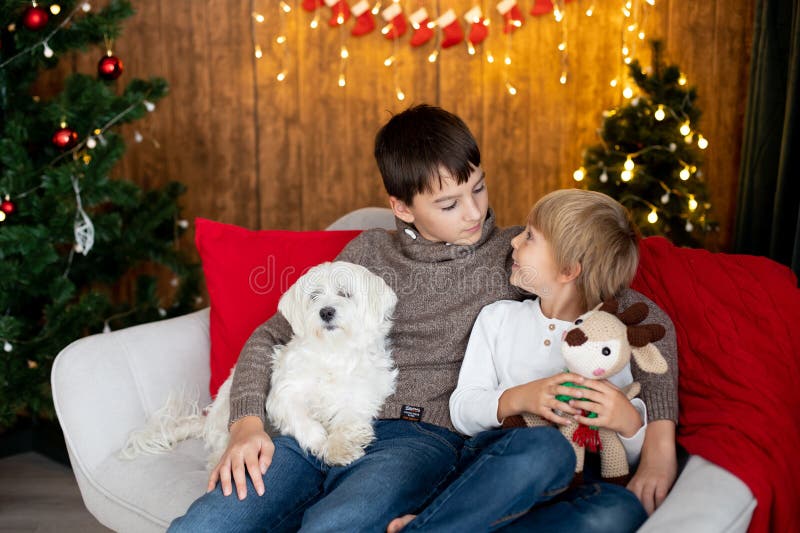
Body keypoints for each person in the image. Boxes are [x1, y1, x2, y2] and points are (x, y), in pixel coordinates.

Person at [169, 105, 678, 532]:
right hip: (316, 421)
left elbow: (641, 319)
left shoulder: (516, 255)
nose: (474, 213)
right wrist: (247, 424)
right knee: (208, 523)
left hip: (415, 439)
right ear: (403, 207)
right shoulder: (367, 254)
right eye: (450, 203)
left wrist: (657, 443)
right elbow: (272, 335)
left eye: (478, 188)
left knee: (341, 523)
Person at [389, 189, 673, 532]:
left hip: (575, 485)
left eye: (529, 236)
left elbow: (624, 456)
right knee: (547, 448)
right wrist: (522, 397)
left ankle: (445, 526)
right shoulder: (499, 318)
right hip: (503, 467)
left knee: (620, 509)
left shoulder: (608, 341)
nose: (513, 243)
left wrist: (628, 422)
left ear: (568, 269)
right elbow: (462, 411)